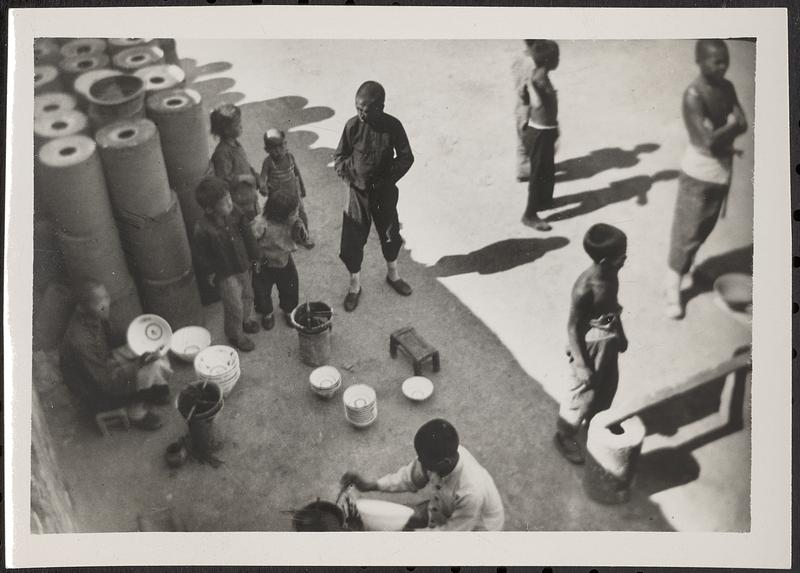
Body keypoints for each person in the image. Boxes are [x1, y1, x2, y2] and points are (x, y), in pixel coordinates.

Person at [665, 39, 748, 319]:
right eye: (716, 61)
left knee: (703, 228)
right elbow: (707, 142)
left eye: (725, 60)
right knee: (686, 232)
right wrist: (730, 127)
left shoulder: (727, 88)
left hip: (720, 172)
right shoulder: (693, 95)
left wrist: (725, 129)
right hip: (698, 172)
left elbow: (743, 122)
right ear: (700, 62)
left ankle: (686, 266)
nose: (723, 66)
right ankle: (672, 286)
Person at [333, 80, 415, 312]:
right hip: (358, 194)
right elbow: (339, 157)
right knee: (352, 239)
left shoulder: (393, 126)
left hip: (384, 192)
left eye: (366, 111)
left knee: (390, 233)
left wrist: (388, 178)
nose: (360, 114)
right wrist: (351, 177)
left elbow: (407, 157)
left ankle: (393, 275)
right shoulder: (352, 127)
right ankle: (354, 286)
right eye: (358, 109)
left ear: (380, 107)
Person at [340, 418, 505, 531]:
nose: (420, 461)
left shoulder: (471, 493)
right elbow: (410, 478)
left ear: (445, 462)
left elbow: (451, 536)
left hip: (473, 530)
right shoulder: (439, 455)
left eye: (424, 460)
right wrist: (372, 485)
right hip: (448, 509)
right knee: (398, 519)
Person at [554, 223, 629, 464]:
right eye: (621, 257)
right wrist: (581, 364)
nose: (625, 259)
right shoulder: (584, 288)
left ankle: (596, 423)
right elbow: (573, 327)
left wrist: (621, 334)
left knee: (607, 388)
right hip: (590, 346)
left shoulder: (611, 274)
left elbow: (612, 308)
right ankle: (564, 435)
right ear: (606, 260)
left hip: (608, 341)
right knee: (583, 395)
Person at [59, 281, 172, 430]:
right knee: (150, 366)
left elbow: (111, 343)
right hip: (95, 390)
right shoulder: (80, 340)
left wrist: (138, 342)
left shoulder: (93, 315)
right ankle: (135, 412)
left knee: (152, 347)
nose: (105, 304)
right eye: (98, 302)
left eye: (106, 296)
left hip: (104, 362)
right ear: (81, 308)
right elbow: (104, 382)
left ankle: (155, 387)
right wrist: (139, 364)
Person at [192, 176, 260, 352]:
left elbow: (248, 236)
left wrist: (255, 256)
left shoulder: (236, 213)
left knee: (248, 294)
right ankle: (235, 335)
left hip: (242, 264)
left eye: (229, 198)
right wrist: (209, 272)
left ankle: (245, 321)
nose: (230, 203)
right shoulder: (202, 228)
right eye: (224, 202)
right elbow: (201, 254)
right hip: (224, 272)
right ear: (209, 209)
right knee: (233, 305)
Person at [519, 40, 560, 232]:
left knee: (547, 169)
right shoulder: (539, 78)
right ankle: (529, 214)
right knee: (538, 174)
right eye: (556, 57)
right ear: (548, 60)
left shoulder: (541, 74)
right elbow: (536, 104)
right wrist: (530, 87)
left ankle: (543, 201)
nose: (558, 60)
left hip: (546, 130)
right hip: (540, 133)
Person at [252, 192, 300, 330]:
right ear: (280, 215)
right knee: (261, 290)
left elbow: (302, 238)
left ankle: (289, 310)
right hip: (264, 262)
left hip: (284, 259)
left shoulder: (292, 221)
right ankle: (267, 313)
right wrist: (255, 259)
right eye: (293, 212)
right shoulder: (261, 223)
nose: (296, 214)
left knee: (290, 286)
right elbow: (251, 240)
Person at [259, 128, 314, 249]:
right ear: (267, 150)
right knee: (279, 218)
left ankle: (305, 237)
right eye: (273, 148)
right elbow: (262, 177)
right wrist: (262, 186)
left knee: (301, 214)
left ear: (285, 144)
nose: (278, 150)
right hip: (277, 198)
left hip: (294, 194)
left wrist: (302, 187)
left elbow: (296, 172)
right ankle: (282, 238)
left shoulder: (290, 157)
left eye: (280, 146)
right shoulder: (268, 162)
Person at [209, 103, 261, 219]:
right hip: (239, 206)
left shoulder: (236, 145)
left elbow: (244, 164)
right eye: (238, 124)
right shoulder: (222, 153)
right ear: (227, 130)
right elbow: (223, 181)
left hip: (249, 199)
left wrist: (256, 177)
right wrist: (244, 178)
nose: (241, 126)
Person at [512, 39, 537, 182]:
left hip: (520, 105)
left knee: (522, 141)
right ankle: (529, 170)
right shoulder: (533, 63)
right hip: (529, 106)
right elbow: (528, 89)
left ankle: (522, 170)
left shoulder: (518, 58)